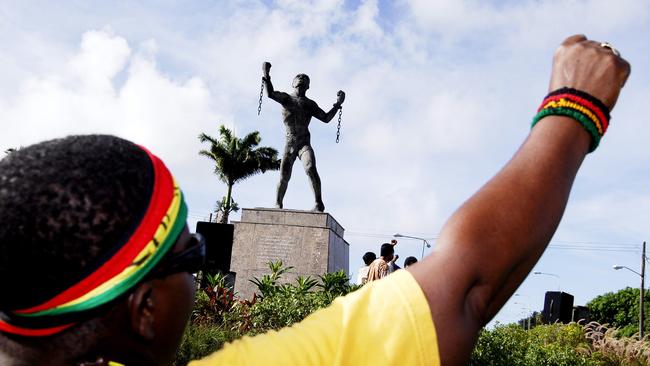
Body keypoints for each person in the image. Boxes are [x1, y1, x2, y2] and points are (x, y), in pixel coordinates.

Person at [0, 35, 629, 365]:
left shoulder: (308, 104)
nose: (200, 270)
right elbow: (467, 284)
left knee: (311, 181)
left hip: (306, 145)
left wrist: (340, 108)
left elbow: (322, 114)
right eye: (190, 256)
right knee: (280, 186)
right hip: (290, 147)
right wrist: (577, 106)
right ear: (143, 311)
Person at [262, 62, 345, 212]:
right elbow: (270, 94)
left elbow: (325, 118)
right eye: (298, 77)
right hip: (289, 142)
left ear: (308, 86)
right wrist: (266, 75)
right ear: (293, 83)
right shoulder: (286, 99)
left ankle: (318, 202)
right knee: (284, 176)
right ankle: (278, 203)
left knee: (311, 168)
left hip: (304, 143)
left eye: (305, 79)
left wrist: (337, 105)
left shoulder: (310, 104)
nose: (302, 79)